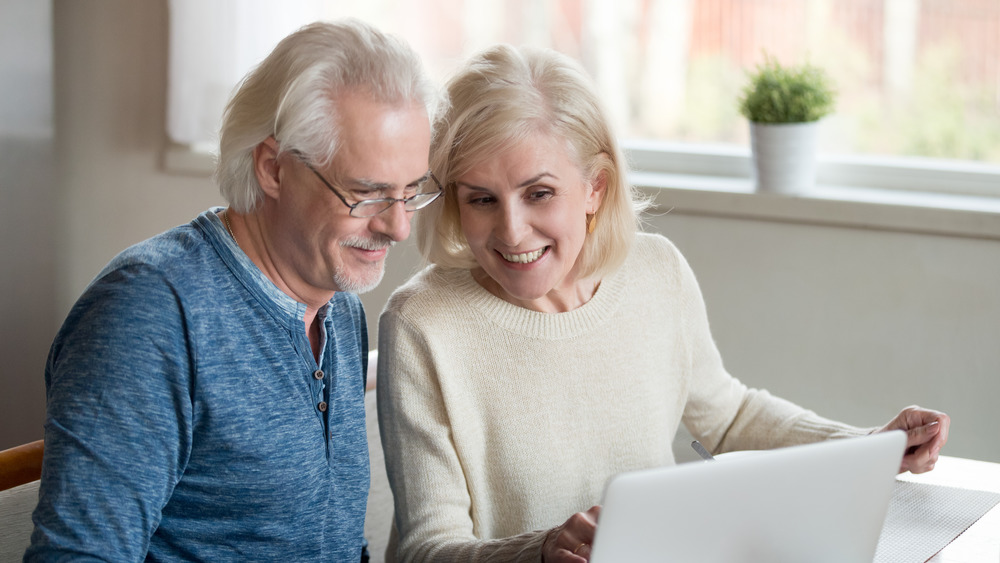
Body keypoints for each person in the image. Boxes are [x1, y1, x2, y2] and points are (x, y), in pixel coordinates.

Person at [375, 44, 950, 563]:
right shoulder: (423, 324)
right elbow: (428, 548)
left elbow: (729, 417)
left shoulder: (656, 272)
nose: (512, 230)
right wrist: (542, 551)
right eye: (481, 199)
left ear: (595, 187)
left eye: (540, 193)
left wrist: (870, 448)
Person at [26, 20, 441, 562]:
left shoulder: (338, 304)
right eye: (366, 194)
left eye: (410, 192)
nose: (398, 227)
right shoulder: (150, 314)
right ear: (272, 168)